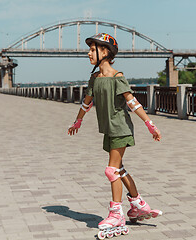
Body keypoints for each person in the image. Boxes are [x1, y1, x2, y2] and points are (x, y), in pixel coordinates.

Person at [67, 33, 162, 239]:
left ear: (106, 52)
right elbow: (87, 102)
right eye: (90, 49)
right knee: (119, 169)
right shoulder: (94, 78)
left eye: (93, 50)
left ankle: (116, 214)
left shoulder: (118, 77)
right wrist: (78, 121)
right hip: (109, 129)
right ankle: (138, 204)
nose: (89, 53)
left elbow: (132, 102)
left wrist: (150, 124)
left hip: (121, 128)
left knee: (111, 171)